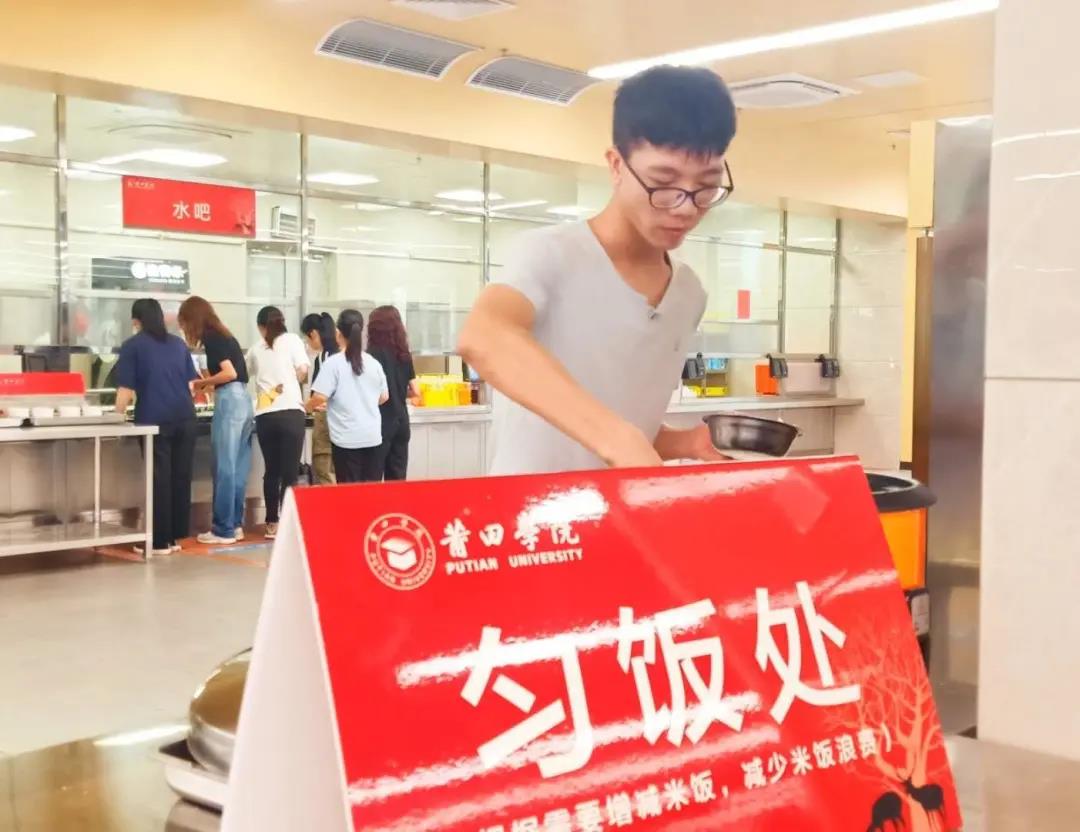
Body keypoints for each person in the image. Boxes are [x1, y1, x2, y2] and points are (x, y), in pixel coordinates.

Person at [458, 66, 738, 475]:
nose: (685, 207)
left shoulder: (688, 293)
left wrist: (685, 443)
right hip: (533, 510)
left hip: (621, 507)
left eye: (707, 186)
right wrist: (617, 440)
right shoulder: (551, 254)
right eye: (663, 182)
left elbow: (621, 424)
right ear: (616, 165)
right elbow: (484, 336)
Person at [113, 299, 198, 556]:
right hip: (185, 417)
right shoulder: (177, 344)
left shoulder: (132, 346)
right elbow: (191, 385)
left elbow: (125, 390)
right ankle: (174, 537)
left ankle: (159, 541)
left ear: (136, 321)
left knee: (159, 479)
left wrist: (115, 417)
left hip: (154, 420)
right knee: (180, 477)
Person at [178, 296, 254, 545]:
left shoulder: (212, 338)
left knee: (224, 466)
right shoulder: (226, 335)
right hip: (244, 400)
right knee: (237, 467)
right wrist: (209, 384)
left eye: (184, 324)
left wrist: (200, 383)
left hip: (230, 401)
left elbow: (229, 373)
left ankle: (222, 529)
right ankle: (235, 524)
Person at [247, 306, 309, 539]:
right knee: (290, 472)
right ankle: (288, 523)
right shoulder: (293, 340)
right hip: (292, 412)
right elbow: (303, 371)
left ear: (260, 327)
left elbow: (245, 372)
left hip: (266, 415)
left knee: (272, 470)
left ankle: (271, 522)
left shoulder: (255, 348)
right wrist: (291, 378)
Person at [306, 309, 388, 483]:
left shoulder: (333, 363)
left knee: (349, 494)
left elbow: (319, 397)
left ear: (338, 333)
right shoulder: (373, 363)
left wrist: (306, 406)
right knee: (371, 492)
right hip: (372, 437)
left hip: (346, 440)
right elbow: (383, 397)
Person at [366, 305, 420, 481]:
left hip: (379, 423)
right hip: (401, 422)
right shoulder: (403, 354)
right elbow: (416, 391)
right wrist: (399, 391)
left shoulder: (370, 356)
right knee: (397, 479)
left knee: (373, 477)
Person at [300, 312, 338, 485]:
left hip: (327, 419)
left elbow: (320, 395)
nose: (308, 343)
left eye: (307, 338)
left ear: (313, 333)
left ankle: (329, 501)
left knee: (323, 467)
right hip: (344, 421)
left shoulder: (325, 357)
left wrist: (306, 406)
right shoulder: (340, 353)